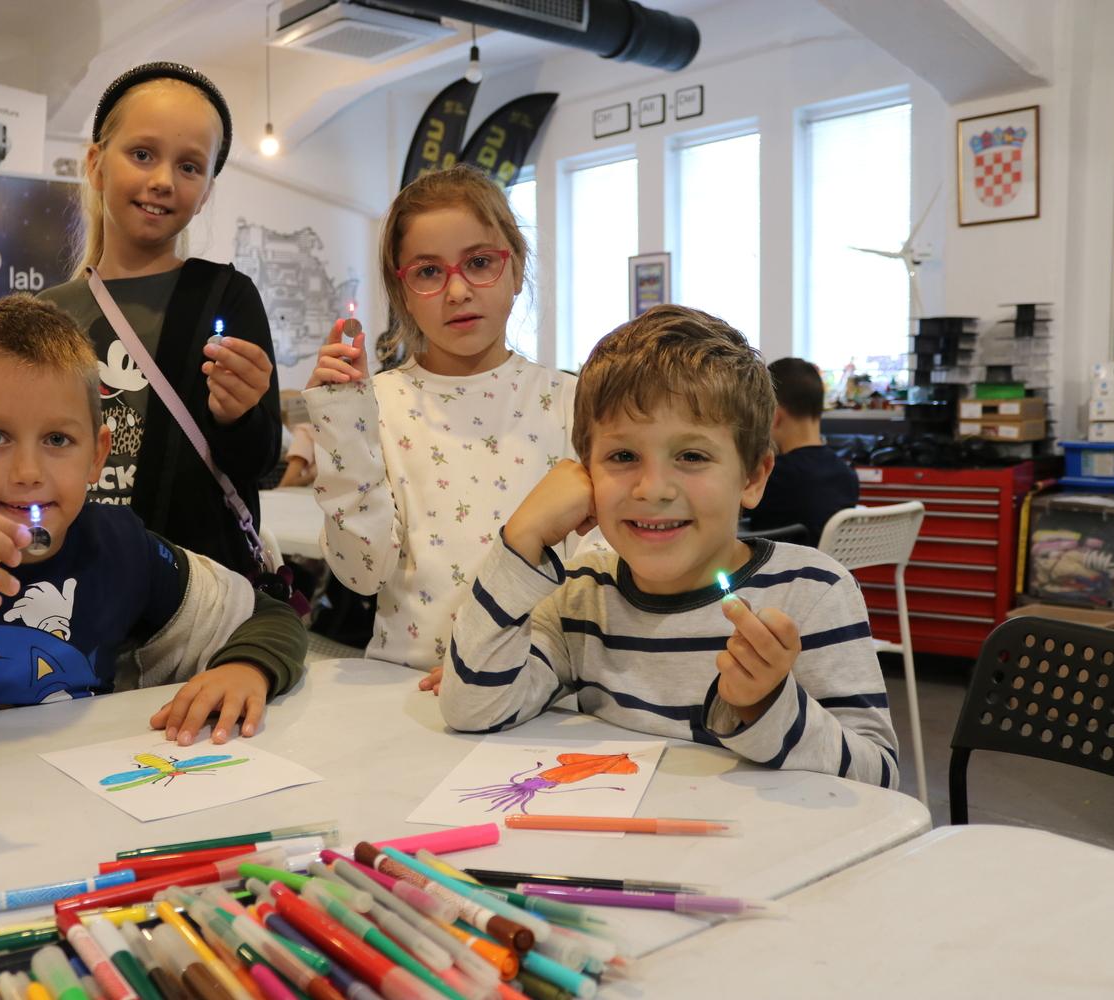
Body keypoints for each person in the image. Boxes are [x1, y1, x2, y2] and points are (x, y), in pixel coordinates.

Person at [0, 296, 307, 774]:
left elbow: (268, 617)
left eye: (57, 439)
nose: (28, 472)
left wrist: (246, 668)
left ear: (96, 456)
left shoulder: (120, 546)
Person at [442, 306, 899, 788]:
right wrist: (522, 538)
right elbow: (475, 709)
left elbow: (879, 781)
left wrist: (767, 705)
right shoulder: (583, 594)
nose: (653, 489)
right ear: (586, 472)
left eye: (692, 456)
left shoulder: (813, 592)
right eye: (623, 456)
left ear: (752, 477)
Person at [303, 164, 578, 685]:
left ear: (516, 269)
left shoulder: (571, 402)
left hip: (539, 689)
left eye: (479, 263)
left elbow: (597, 566)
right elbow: (360, 573)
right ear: (402, 291)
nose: (457, 291)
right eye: (429, 272)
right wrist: (343, 432)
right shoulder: (377, 404)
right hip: (403, 687)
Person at [40, 62, 281, 575]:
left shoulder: (227, 297)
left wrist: (239, 416)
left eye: (189, 167)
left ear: (206, 192)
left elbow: (257, 462)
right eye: (142, 154)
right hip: (71, 577)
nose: (163, 181)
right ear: (96, 164)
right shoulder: (48, 315)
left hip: (194, 585)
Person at [746, 357, 859, 546]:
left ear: (774, 416)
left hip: (775, 565)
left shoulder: (770, 475)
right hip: (828, 565)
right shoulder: (847, 475)